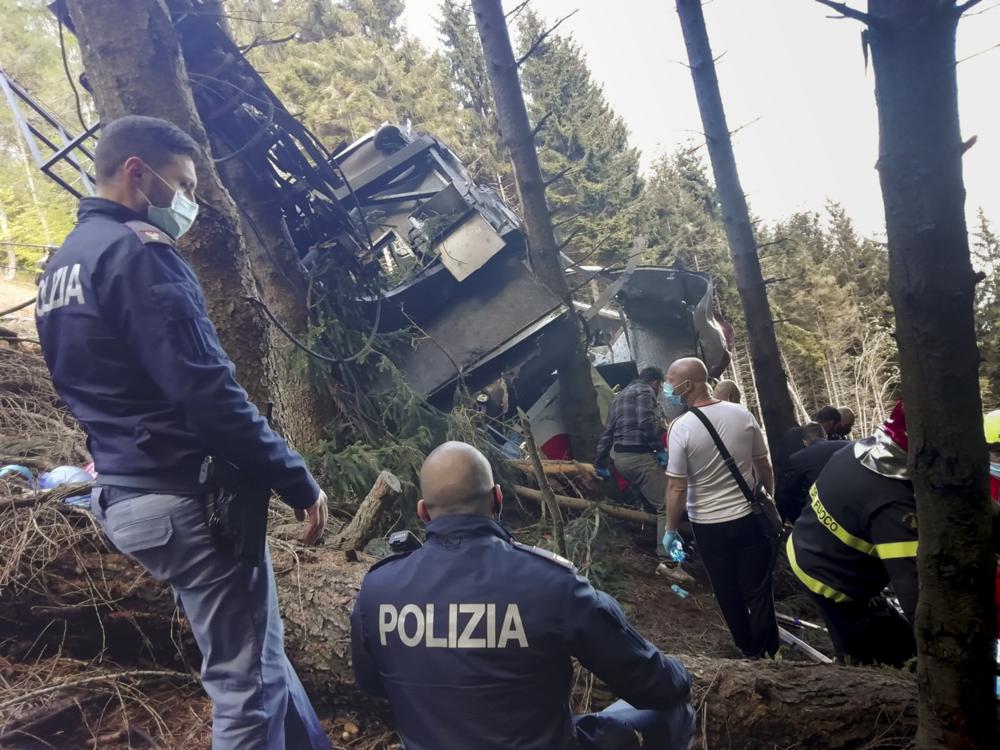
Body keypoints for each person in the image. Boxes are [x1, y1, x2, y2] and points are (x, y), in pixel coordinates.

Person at [34, 115, 331, 750]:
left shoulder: (62, 267)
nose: (189, 203)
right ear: (136, 172)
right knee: (245, 689)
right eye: (182, 184)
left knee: (256, 663)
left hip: (122, 492)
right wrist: (295, 478)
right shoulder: (139, 253)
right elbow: (206, 390)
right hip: (184, 498)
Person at [351, 441, 696, 750]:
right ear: (497, 499)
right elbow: (655, 684)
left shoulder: (378, 589)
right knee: (676, 712)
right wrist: (681, 673)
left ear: (423, 512)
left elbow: (372, 685)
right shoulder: (549, 582)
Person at [662, 357, 779, 658]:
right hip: (748, 517)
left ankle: (747, 650)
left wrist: (670, 529)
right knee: (758, 589)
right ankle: (770, 650)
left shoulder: (680, 428)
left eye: (671, 380)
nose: (667, 386)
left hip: (708, 524)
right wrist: (769, 498)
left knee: (727, 590)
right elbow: (763, 465)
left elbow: (677, 486)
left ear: (686, 385)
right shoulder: (741, 413)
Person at [786, 401, 917, 667]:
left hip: (807, 549)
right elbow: (914, 590)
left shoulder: (855, 451)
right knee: (882, 657)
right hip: (833, 579)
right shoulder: (893, 504)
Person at [594, 367, 676, 566]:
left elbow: (607, 433)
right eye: (660, 387)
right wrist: (660, 450)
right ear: (655, 383)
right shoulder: (645, 391)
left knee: (650, 501)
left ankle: (649, 541)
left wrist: (601, 462)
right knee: (667, 505)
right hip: (639, 457)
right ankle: (668, 561)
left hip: (622, 460)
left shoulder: (619, 397)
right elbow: (646, 422)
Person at [775, 423, 849, 523]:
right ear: (825, 436)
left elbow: (787, 491)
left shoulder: (798, 458)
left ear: (804, 442)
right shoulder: (847, 446)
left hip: (824, 513)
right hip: (851, 503)